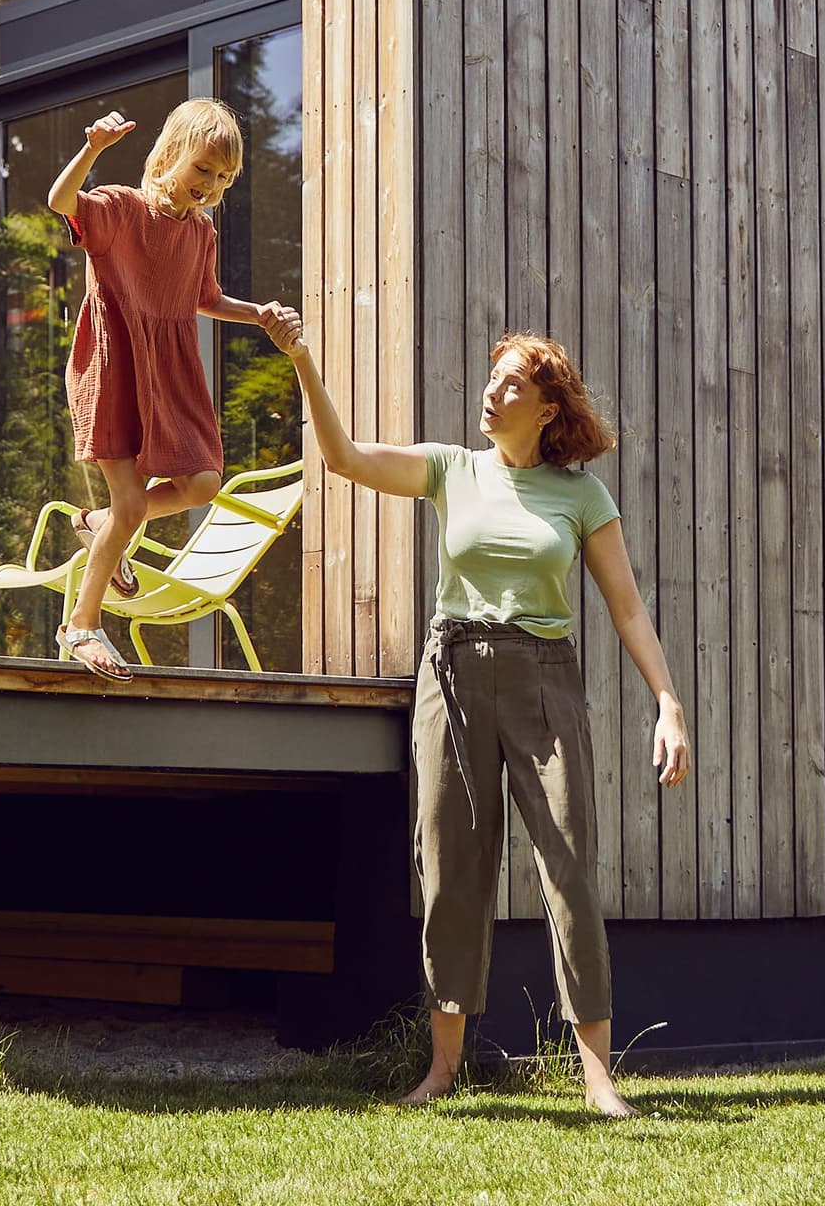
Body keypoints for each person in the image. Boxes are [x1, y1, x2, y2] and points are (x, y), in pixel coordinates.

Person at [260, 313, 690, 1118]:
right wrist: (306, 365)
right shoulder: (452, 469)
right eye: (491, 381)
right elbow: (345, 457)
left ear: (548, 410)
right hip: (450, 675)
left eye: (512, 385)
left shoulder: (581, 495)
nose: (490, 395)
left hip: (543, 682)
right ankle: (443, 1068)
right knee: (451, 870)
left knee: (567, 866)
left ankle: (598, 1075)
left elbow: (628, 611)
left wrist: (667, 703)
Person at [44, 99, 278, 680]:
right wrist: (94, 149)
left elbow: (206, 298)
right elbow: (60, 202)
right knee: (130, 506)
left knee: (202, 483)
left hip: (169, 375)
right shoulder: (122, 209)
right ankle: (82, 625)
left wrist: (261, 314)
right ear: (172, 153)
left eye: (223, 178)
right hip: (116, 366)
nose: (211, 185)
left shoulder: (200, 233)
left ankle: (103, 524)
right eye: (203, 169)